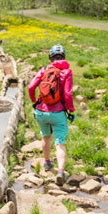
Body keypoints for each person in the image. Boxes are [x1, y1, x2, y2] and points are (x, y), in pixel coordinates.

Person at [28, 44, 75, 186]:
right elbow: (67, 94)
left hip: (41, 111)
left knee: (45, 136)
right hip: (58, 112)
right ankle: (60, 171)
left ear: (51, 57)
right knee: (60, 142)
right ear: (64, 57)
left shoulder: (44, 70)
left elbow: (31, 87)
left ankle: (47, 163)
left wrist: (34, 101)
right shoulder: (67, 72)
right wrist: (70, 109)